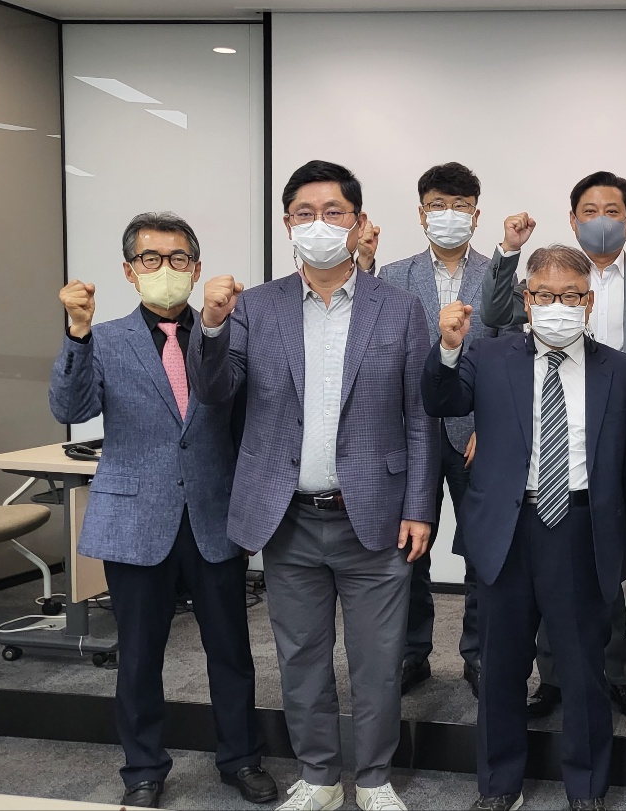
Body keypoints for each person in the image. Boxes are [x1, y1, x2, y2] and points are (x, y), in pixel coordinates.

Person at [187, 160, 437, 811]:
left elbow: (420, 417)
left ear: (358, 223)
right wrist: (210, 324)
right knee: (300, 657)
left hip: (374, 514)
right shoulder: (254, 307)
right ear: (287, 224)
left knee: (378, 661)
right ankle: (320, 775)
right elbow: (213, 391)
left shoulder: (401, 308)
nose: (319, 224)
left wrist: (420, 506)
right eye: (305, 213)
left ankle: (375, 778)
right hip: (288, 516)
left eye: (334, 213)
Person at [423, 244, 626, 811]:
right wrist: (448, 348)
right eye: (546, 296)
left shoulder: (621, 371)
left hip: (581, 530)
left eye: (571, 296)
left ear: (589, 301)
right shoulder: (488, 355)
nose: (559, 306)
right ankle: (499, 784)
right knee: (501, 667)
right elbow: (440, 400)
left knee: (583, 669)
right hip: (507, 531)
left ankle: (587, 788)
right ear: (526, 300)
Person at [50, 212, 275, 810]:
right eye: (151, 259)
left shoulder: (226, 332)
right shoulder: (104, 338)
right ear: (130, 271)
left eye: (178, 259)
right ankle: (144, 770)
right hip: (135, 518)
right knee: (139, 657)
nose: (165, 269)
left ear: (196, 269)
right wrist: (76, 333)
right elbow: (69, 407)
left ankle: (241, 758)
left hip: (213, 514)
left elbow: (246, 413)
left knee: (231, 651)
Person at [480, 171, 626, 721]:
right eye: (590, 211)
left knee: (619, 568)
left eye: (612, 210)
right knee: (557, 575)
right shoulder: (551, 277)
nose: (601, 220)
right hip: (557, 431)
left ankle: (618, 677)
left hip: (625, 430)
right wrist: (508, 252)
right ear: (573, 220)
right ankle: (555, 678)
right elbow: (497, 318)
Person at [354, 161, 494, 698]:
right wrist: (363, 264)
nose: (448, 215)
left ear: (475, 216)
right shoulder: (392, 275)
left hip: (475, 433)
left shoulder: (499, 277)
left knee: (483, 549)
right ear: (421, 214)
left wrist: (494, 425)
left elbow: (510, 355)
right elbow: (364, 330)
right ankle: (412, 652)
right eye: (438, 205)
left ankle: (479, 656)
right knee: (407, 549)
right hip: (409, 432)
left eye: (460, 206)